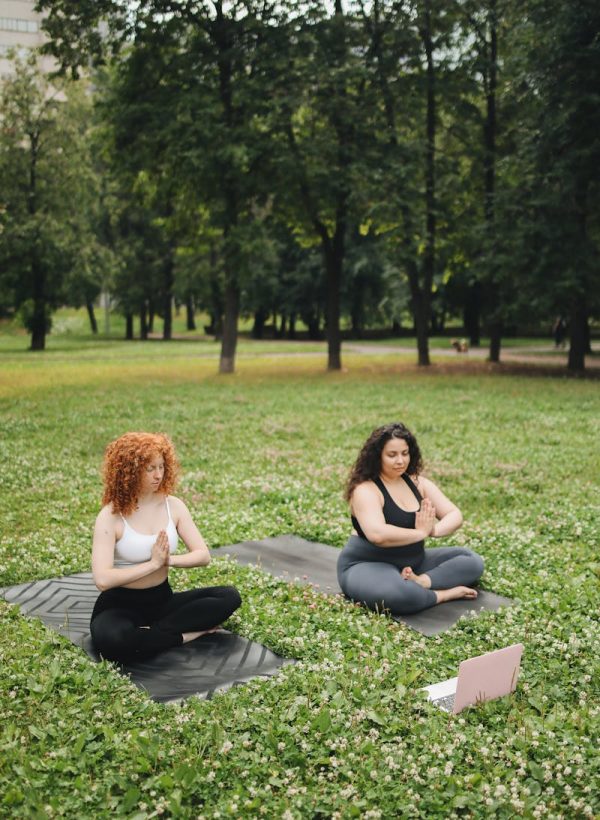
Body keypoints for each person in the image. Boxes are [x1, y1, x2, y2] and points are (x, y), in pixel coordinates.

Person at [90, 432, 241, 662]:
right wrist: (152, 564)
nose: (158, 474)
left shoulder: (174, 506)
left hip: (162, 601)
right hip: (119, 605)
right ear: (129, 471)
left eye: (161, 466)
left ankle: (151, 635)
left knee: (229, 597)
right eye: (149, 468)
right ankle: (183, 635)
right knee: (113, 640)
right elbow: (103, 579)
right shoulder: (111, 516)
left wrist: (169, 560)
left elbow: (203, 556)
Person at [337, 423, 484, 616]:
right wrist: (419, 533)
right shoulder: (365, 490)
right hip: (367, 565)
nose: (400, 461)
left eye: (405, 453)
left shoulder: (418, 483)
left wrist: (433, 531)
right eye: (392, 455)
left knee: (472, 561)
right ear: (377, 456)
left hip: (414, 562)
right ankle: (443, 594)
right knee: (398, 594)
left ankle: (422, 582)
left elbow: (454, 515)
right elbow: (377, 535)